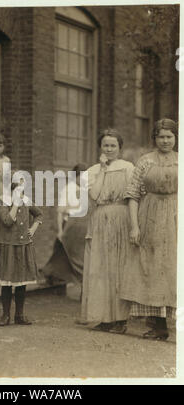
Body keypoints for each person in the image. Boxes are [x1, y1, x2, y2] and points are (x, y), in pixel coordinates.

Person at [121, 118, 177, 341]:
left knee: (174, 268)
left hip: (175, 214)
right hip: (150, 216)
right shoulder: (144, 161)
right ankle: (159, 325)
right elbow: (133, 195)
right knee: (152, 269)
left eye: (169, 137)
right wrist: (135, 226)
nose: (165, 141)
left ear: (175, 138)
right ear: (154, 138)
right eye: (161, 136)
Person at [79, 129, 134, 333]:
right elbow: (94, 195)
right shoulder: (92, 170)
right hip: (100, 220)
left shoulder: (128, 168)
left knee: (118, 268)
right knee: (100, 269)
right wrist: (102, 169)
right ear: (100, 147)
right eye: (105, 145)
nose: (109, 149)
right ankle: (103, 317)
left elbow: (133, 197)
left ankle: (120, 319)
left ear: (120, 148)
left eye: (113, 146)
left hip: (122, 218)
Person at [0, 182, 43, 326]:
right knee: (7, 282)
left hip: (23, 245)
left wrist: (33, 229)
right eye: (15, 189)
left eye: (21, 189)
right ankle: (5, 315)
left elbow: (38, 214)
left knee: (21, 282)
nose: (18, 193)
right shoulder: (1, 201)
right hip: (7, 246)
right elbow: (7, 221)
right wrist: (15, 204)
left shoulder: (26, 200)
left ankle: (19, 315)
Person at [40, 163, 89, 286]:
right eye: (80, 176)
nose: (83, 179)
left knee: (66, 254)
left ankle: (54, 275)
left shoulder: (86, 190)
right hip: (68, 224)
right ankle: (51, 275)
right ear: (75, 176)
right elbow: (60, 212)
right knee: (63, 252)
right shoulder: (69, 188)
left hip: (79, 226)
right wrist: (60, 230)